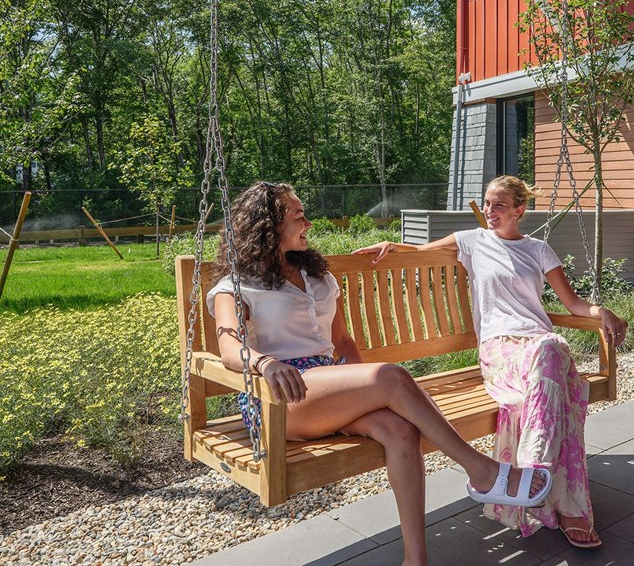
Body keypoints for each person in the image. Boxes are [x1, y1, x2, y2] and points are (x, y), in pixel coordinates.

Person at [207, 181, 552, 566]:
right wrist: (266, 363)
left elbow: (342, 342)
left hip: (327, 390)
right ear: (269, 225)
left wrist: (361, 390)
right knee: (390, 376)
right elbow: (228, 348)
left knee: (400, 430)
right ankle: (482, 470)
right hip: (277, 398)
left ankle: (415, 560)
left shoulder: (317, 278)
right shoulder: (236, 285)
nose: (308, 222)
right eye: (298, 216)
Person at [355, 175, 628, 549]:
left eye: (498, 205)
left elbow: (573, 304)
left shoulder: (539, 250)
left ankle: (531, 472)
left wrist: (601, 311)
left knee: (549, 350)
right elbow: (418, 252)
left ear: (519, 210)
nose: (489, 211)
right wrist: (391, 244)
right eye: (486, 203)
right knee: (555, 367)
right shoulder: (472, 241)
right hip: (501, 351)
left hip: (537, 347)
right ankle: (567, 505)